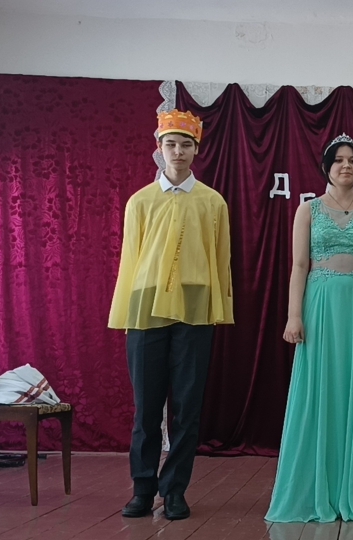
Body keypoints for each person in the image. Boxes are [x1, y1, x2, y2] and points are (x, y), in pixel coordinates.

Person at [108, 109, 234, 521]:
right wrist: (126, 311)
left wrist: (219, 307)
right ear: (159, 149)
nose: (178, 151)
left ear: (196, 150)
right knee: (147, 408)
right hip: (146, 309)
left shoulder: (212, 202)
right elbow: (130, 259)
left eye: (185, 145)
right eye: (171, 144)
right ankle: (142, 489)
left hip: (195, 309)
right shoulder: (140, 201)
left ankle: (175, 490)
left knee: (187, 407)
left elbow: (221, 259)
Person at [265, 133, 353, 523]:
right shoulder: (307, 210)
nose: (345, 166)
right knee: (319, 390)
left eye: (352, 160)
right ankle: (314, 489)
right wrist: (294, 315)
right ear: (326, 167)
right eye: (338, 160)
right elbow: (299, 266)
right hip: (319, 305)